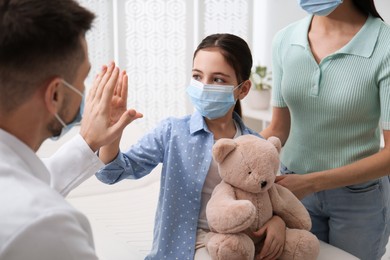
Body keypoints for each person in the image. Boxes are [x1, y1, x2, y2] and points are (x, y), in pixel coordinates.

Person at [96, 33, 286, 260]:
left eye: (218, 80)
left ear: (243, 90)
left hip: (240, 245)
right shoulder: (172, 132)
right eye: (197, 76)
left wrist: (278, 222)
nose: (204, 86)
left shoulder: (257, 144)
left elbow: (273, 196)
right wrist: (112, 131)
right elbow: (111, 173)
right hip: (186, 247)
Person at [0, 0, 142, 259]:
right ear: (55, 94)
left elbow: (27, 181)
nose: (87, 91)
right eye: (83, 78)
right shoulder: (47, 228)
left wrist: (88, 140)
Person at [261, 0, 390, 259]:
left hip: (357, 199)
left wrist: (311, 183)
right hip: (292, 188)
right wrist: (237, 155)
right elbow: (279, 128)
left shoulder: (384, 45)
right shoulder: (285, 39)